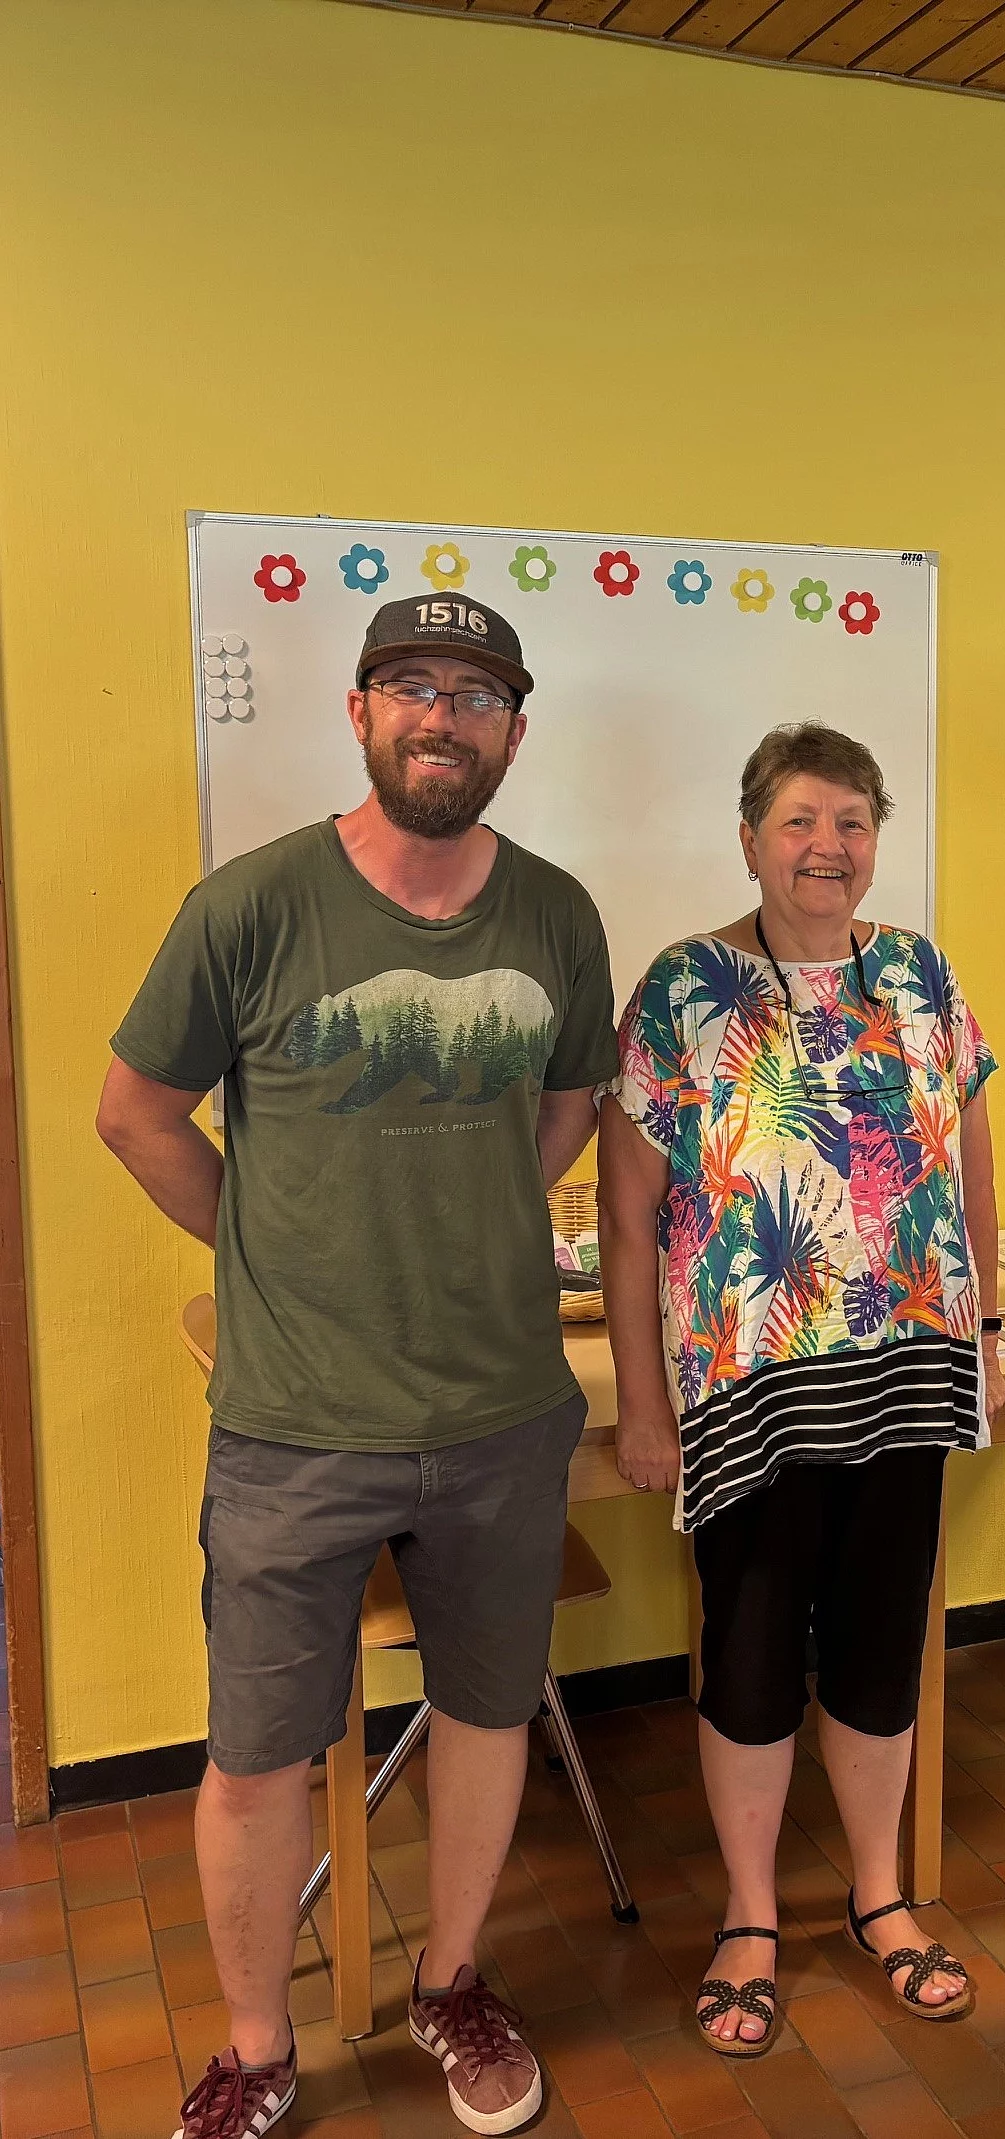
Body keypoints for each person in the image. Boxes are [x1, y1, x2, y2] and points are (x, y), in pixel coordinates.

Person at [99, 595, 615, 2139]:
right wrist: (267, 1249)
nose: (440, 715)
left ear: (514, 729)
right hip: (294, 1428)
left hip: (501, 1409)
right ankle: (257, 2048)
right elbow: (134, 1114)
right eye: (412, 685)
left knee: (481, 1713)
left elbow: (573, 1101)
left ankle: (452, 1980)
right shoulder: (249, 907)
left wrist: (467, 1221)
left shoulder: (557, 917)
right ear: (360, 710)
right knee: (259, 1755)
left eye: (474, 692)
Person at [599, 722, 1005, 2055]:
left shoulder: (923, 974)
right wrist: (648, 1404)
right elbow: (628, 1208)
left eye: (852, 820)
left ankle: (882, 1894)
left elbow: (970, 1151)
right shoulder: (683, 989)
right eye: (800, 820)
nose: (828, 845)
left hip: (906, 1369)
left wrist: (985, 1318)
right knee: (757, 1653)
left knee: (883, 1648)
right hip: (750, 1387)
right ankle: (753, 1912)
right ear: (750, 836)